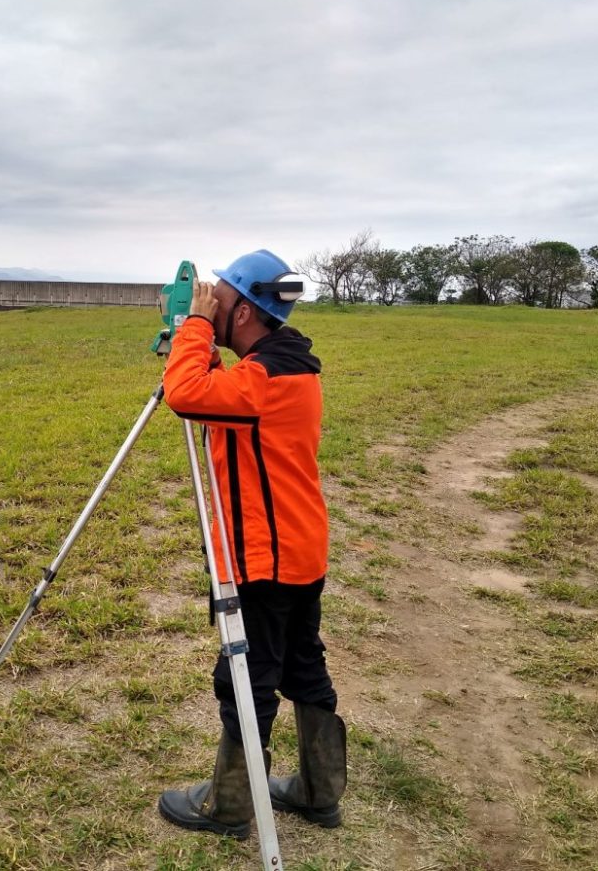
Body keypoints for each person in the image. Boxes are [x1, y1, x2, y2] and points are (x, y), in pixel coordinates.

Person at [157, 249, 347, 839]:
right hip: (301, 547)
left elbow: (186, 392)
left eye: (219, 300)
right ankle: (319, 792)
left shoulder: (263, 378)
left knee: (246, 675)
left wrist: (190, 325)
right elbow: (212, 389)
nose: (211, 307)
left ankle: (232, 804)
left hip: (264, 556)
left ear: (243, 311)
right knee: (302, 665)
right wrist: (201, 334)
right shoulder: (293, 366)